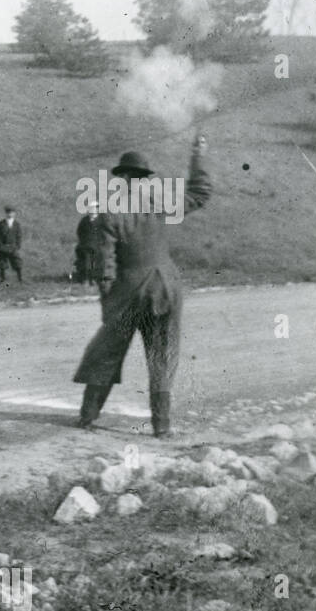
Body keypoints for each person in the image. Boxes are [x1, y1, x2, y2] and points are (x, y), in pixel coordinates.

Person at [73, 133, 212, 438]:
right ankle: (161, 427)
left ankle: (87, 416)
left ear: (121, 179)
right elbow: (200, 193)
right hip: (165, 289)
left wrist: (107, 303)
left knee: (106, 352)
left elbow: (105, 267)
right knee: (161, 357)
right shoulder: (160, 201)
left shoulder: (110, 213)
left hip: (128, 294)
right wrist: (198, 155)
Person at [74, 200, 103, 284]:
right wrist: (84, 242)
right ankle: (87, 278)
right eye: (93, 208)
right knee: (87, 257)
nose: (94, 209)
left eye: (96, 208)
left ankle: (95, 277)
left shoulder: (102, 220)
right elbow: (80, 232)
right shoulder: (85, 221)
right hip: (87, 245)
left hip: (99, 245)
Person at [0, 205, 24, 283]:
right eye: (8, 212)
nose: (10, 214)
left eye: (12, 213)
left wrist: (17, 246)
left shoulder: (17, 224)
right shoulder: (0, 224)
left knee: (17, 262)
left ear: (15, 214)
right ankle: (3, 279)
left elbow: (19, 236)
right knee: (2, 263)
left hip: (13, 247)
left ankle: (20, 278)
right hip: (2, 247)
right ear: (6, 213)